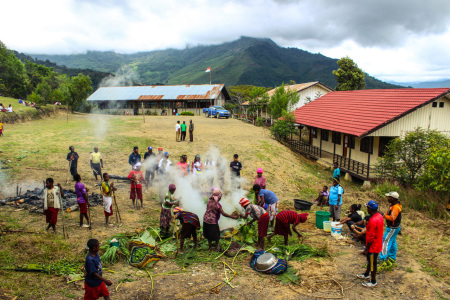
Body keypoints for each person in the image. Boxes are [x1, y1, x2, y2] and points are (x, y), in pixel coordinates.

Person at [357, 200, 384, 288]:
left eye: (367, 207)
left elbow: (371, 238)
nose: (366, 209)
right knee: (370, 261)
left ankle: (373, 281)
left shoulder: (373, 221)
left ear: (370, 209)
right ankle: (366, 274)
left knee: (372, 263)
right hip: (378, 243)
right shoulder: (379, 216)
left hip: (373, 246)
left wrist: (366, 249)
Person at [379, 191, 402, 262]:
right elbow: (387, 213)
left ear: (393, 198)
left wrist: (383, 215)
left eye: (389, 197)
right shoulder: (393, 205)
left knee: (385, 241)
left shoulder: (396, 207)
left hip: (392, 228)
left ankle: (383, 258)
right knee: (392, 242)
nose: (387, 198)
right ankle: (392, 257)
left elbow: (392, 218)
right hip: (395, 227)